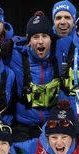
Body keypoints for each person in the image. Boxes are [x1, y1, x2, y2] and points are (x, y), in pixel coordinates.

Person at [11, 11, 62, 141]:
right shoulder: (15, 56)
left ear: (51, 39)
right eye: (35, 37)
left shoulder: (60, 54)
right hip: (24, 125)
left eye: (44, 36)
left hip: (54, 124)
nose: (40, 41)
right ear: (29, 41)